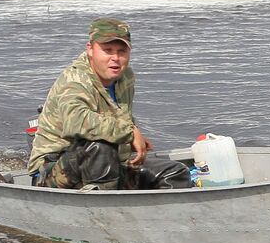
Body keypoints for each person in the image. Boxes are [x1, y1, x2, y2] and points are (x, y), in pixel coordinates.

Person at [29, 18, 190, 190]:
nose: (115, 58)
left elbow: (119, 115)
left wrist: (135, 138)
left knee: (175, 172)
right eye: (107, 50)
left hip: (109, 165)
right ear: (90, 49)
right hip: (54, 171)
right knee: (100, 147)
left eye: (122, 51)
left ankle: (155, 214)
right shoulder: (75, 80)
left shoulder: (125, 76)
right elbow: (76, 122)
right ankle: (104, 210)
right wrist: (129, 133)